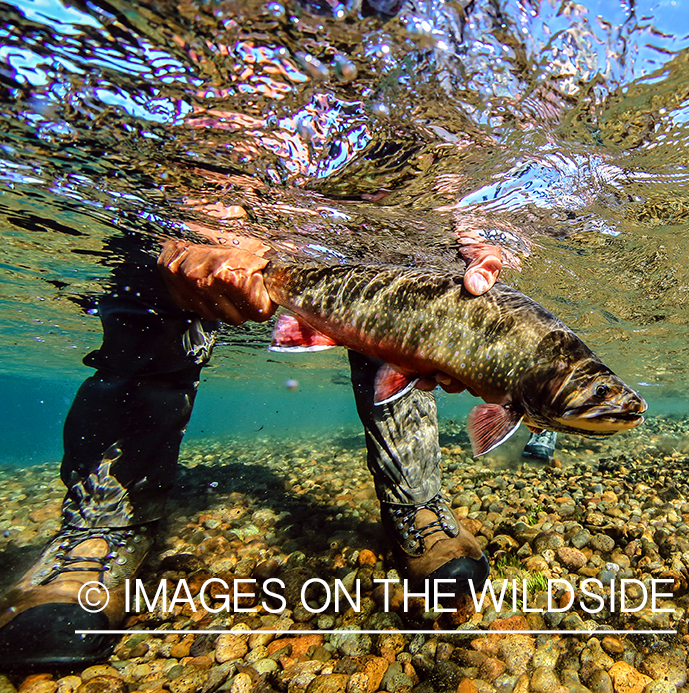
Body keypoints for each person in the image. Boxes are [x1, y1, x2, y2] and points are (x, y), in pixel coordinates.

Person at [0, 234, 505, 667]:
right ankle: (102, 529)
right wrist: (214, 224)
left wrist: (477, 244)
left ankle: (415, 506)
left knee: (406, 329)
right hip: (207, 180)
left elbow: (451, 190)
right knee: (152, 306)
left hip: (367, 227)